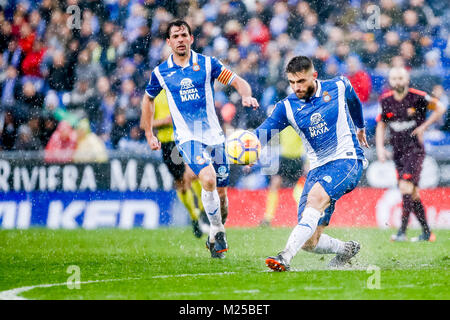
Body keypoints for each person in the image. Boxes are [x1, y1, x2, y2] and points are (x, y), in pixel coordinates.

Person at [140, 20, 259, 258]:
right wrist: (149, 133)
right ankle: (217, 231)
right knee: (208, 177)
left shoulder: (207, 64)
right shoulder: (161, 73)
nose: (180, 39)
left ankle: (215, 235)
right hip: (187, 137)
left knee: (222, 197)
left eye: (184, 35)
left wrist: (246, 95)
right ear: (169, 42)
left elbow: (236, 80)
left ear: (191, 38)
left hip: (215, 137)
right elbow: (148, 100)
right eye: (175, 36)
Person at [254, 56, 369, 271]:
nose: (296, 87)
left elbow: (353, 99)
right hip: (318, 170)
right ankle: (345, 249)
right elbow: (263, 131)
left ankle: (284, 257)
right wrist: (248, 146)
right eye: (292, 82)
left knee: (315, 199)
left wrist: (360, 126)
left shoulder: (338, 85)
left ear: (314, 76)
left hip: (347, 160)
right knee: (309, 241)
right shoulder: (286, 107)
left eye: (301, 81)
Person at [376, 67, 445, 242]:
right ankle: (427, 233)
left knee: (405, 188)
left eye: (400, 78)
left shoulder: (417, 97)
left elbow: (440, 107)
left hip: (414, 150)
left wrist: (424, 126)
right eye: (394, 78)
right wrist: (380, 148)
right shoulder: (386, 100)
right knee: (412, 193)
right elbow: (381, 124)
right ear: (390, 81)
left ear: (406, 79)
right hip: (397, 152)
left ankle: (402, 232)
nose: (397, 81)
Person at [152, 89, 206, 238]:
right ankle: (194, 217)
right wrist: (164, 121)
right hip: (168, 144)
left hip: (186, 138)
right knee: (181, 183)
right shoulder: (153, 96)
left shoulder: (182, 89)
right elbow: (146, 123)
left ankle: (203, 211)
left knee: (194, 174)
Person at [260, 126, 306, 226]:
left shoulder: (296, 123)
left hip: (297, 160)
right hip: (285, 159)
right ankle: (268, 218)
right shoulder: (284, 122)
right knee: (275, 185)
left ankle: (304, 215)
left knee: (299, 190)